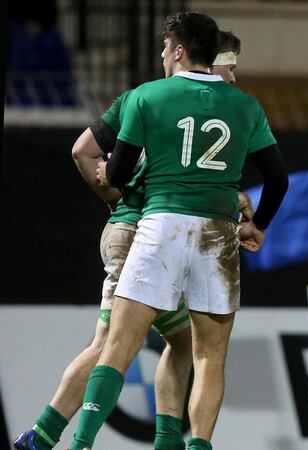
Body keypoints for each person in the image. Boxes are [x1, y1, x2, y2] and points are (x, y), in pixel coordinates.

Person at [12, 26, 250, 450]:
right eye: (227, 67)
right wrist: (125, 208)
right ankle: (44, 436)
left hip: (139, 230)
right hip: (145, 234)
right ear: (205, 62)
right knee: (112, 343)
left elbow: (85, 150)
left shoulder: (141, 99)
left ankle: (161, 439)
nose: (231, 78)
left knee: (177, 340)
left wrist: (113, 200)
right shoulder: (201, 107)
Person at [67, 12, 288, 450]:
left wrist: (110, 173)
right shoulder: (245, 105)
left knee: (118, 346)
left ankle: (79, 444)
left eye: (167, 47)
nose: (165, 54)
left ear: (180, 50)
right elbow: (278, 178)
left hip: (161, 224)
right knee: (209, 356)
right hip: (217, 234)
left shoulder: (149, 96)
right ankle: (198, 445)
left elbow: (120, 170)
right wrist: (257, 225)